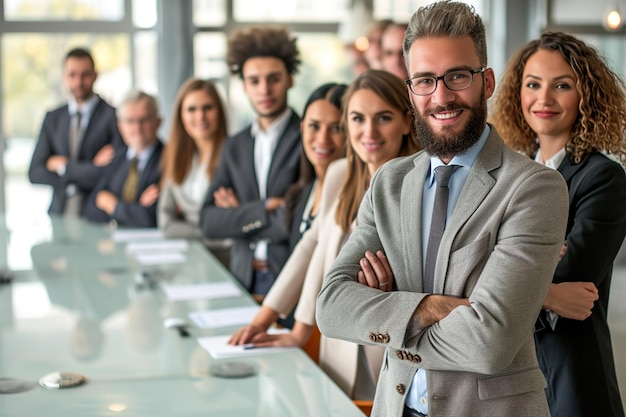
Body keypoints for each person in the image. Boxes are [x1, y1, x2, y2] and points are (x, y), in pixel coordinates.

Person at [315, 2, 570, 417]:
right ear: (411, 89)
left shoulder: (534, 188)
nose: (442, 96)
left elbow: (488, 345)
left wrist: (388, 315)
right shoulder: (389, 183)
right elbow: (331, 308)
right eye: (425, 80)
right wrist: (432, 307)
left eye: (457, 76)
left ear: (486, 81)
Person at [229, 70, 420, 401]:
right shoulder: (339, 174)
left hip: (390, 344)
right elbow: (314, 249)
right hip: (339, 338)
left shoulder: (420, 184)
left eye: (384, 118)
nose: (369, 131)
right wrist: (279, 323)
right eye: (358, 119)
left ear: (406, 122)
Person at [490, 31, 626, 417]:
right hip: (500, 376)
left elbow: (573, 276)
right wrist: (538, 270)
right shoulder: (505, 173)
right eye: (533, 84)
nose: (543, 99)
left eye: (562, 85)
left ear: (586, 96)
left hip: (567, 376)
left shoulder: (603, 178)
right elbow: (470, 262)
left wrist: (501, 259)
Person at [200, 26, 302, 300]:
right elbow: (208, 221)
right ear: (244, 85)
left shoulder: (308, 139)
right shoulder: (235, 145)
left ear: (290, 79)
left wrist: (239, 213)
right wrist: (263, 209)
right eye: (254, 81)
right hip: (243, 277)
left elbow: (293, 222)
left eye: (274, 79)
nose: (264, 89)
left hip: (291, 281)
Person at [29, 47, 124, 217]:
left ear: (95, 75)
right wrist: (90, 168)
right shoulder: (53, 118)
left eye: (85, 74)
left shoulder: (113, 117)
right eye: (72, 75)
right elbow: (35, 172)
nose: (78, 82)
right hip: (58, 214)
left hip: (96, 215)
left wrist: (63, 167)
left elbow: (113, 173)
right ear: (64, 76)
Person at [157, 78, 231, 264]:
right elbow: (166, 224)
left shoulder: (234, 158)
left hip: (225, 261)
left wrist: (185, 228)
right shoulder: (175, 158)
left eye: (207, 108)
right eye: (191, 109)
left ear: (220, 112)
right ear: (180, 115)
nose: (200, 117)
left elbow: (234, 232)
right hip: (186, 258)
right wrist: (213, 235)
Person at [83, 91, 163, 227]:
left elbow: (151, 218)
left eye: (144, 120)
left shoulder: (169, 159)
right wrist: (135, 208)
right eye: (130, 121)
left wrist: (113, 205)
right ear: (120, 126)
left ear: (158, 122)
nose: (137, 128)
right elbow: (90, 209)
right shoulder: (116, 158)